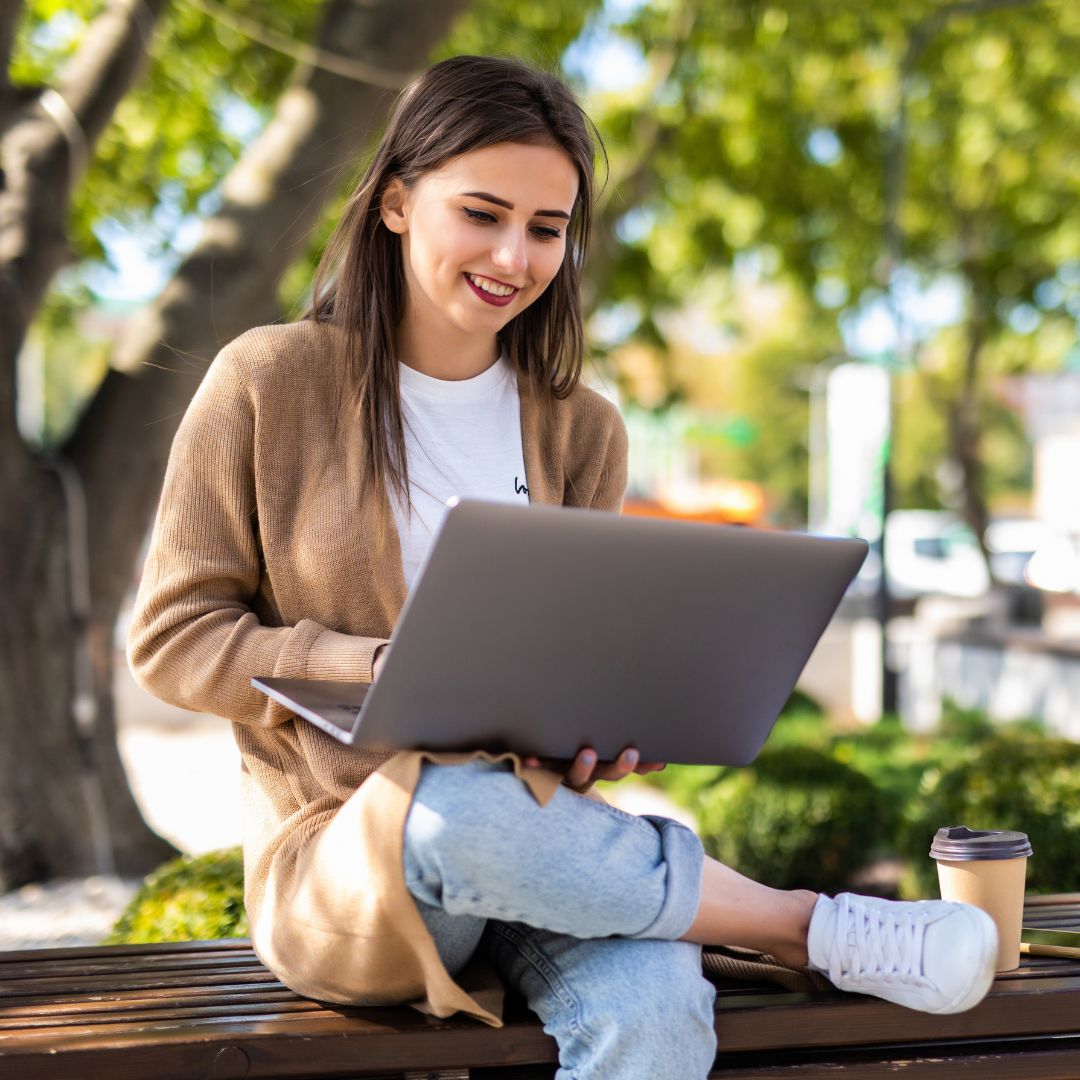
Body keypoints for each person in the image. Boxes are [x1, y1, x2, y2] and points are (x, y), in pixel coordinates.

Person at [128, 55, 998, 1080]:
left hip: (553, 842)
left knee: (659, 1008)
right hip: (353, 862)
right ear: (399, 202)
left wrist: (604, 729)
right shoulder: (269, 382)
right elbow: (173, 641)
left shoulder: (582, 429)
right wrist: (376, 664)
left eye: (546, 229)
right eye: (483, 213)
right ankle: (803, 926)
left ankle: (771, 925)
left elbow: (578, 658)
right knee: (460, 813)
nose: (514, 254)